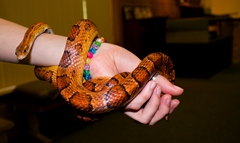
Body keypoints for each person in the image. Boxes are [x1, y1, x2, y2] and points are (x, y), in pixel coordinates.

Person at [0, 18, 183, 125]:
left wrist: (96, 53)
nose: (21, 56)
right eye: (22, 53)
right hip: (84, 84)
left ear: (26, 42)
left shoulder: (74, 32)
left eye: (24, 51)